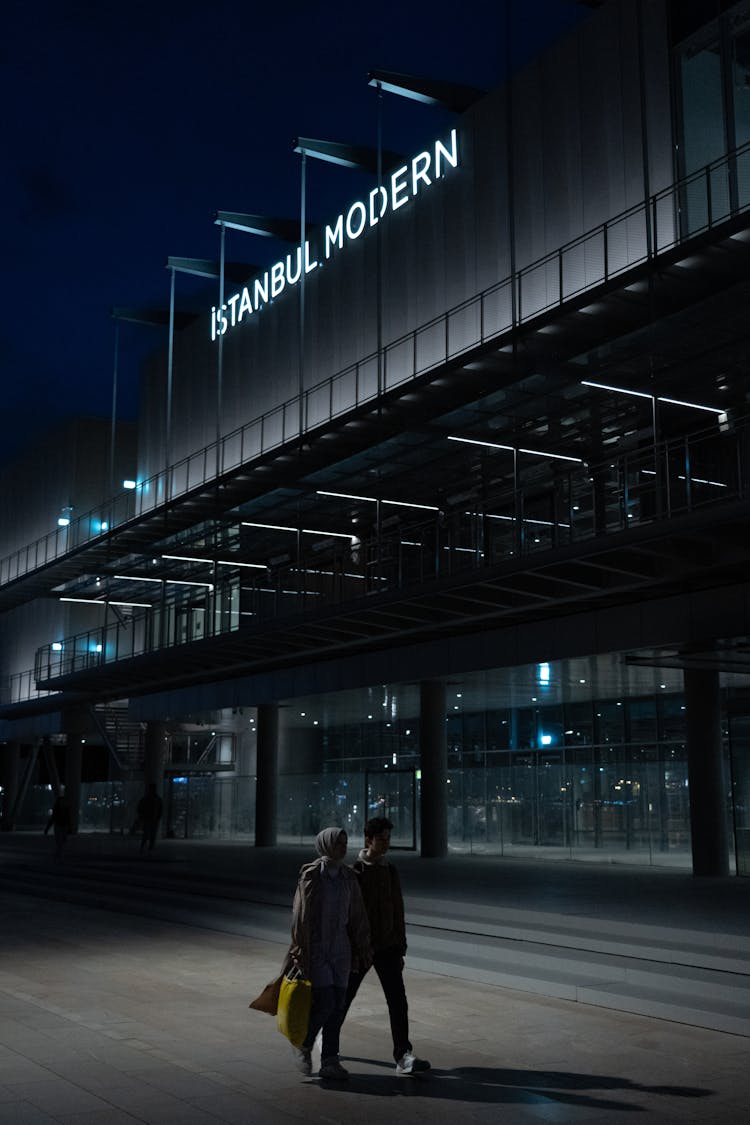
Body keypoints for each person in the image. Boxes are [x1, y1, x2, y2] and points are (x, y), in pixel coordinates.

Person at [339, 816, 431, 1076]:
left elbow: (398, 910)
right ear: (369, 840)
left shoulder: (391, 870)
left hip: (388, 947)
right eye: (382, 839)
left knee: (398, 1001)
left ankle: (403, 1055)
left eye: (389, 839)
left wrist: (400, 947)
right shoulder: (355, 872)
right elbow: (350, 914)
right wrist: (353, 947)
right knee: (344, 998)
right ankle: (326, 1044)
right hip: (363, 948)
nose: (386, 844)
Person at [288, 827, 371, 1080]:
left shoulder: (348, 876)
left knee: (338, 1006)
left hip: (342, 950)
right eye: (338, 843)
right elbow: (299, 916)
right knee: (326, 1002)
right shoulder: (311, 875)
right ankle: (305, 1042)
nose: (343, 848)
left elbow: (357, 915)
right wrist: (300, 948)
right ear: (325, 846)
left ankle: (330, 1060)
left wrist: (363, 946)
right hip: (318, 948)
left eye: (345, 843)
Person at [44, 789, 72, 860]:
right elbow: (67, 818)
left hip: (60, 826)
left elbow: (53, 818)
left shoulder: (61, 809)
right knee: (61, 841)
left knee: (61, 841)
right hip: (60, 826)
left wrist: (47, 828)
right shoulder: (64, 809)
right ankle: (59, 854)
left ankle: (58, 854)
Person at [137, 783, 163, 855]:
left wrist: (142, 816)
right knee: (150, 834)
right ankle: (148, 848)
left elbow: (140, 808)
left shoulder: (146, 798)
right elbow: (160, 809)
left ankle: (145, 847)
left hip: (150, 819)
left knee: (148, 834)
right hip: (152, 819)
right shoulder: (156, 799)